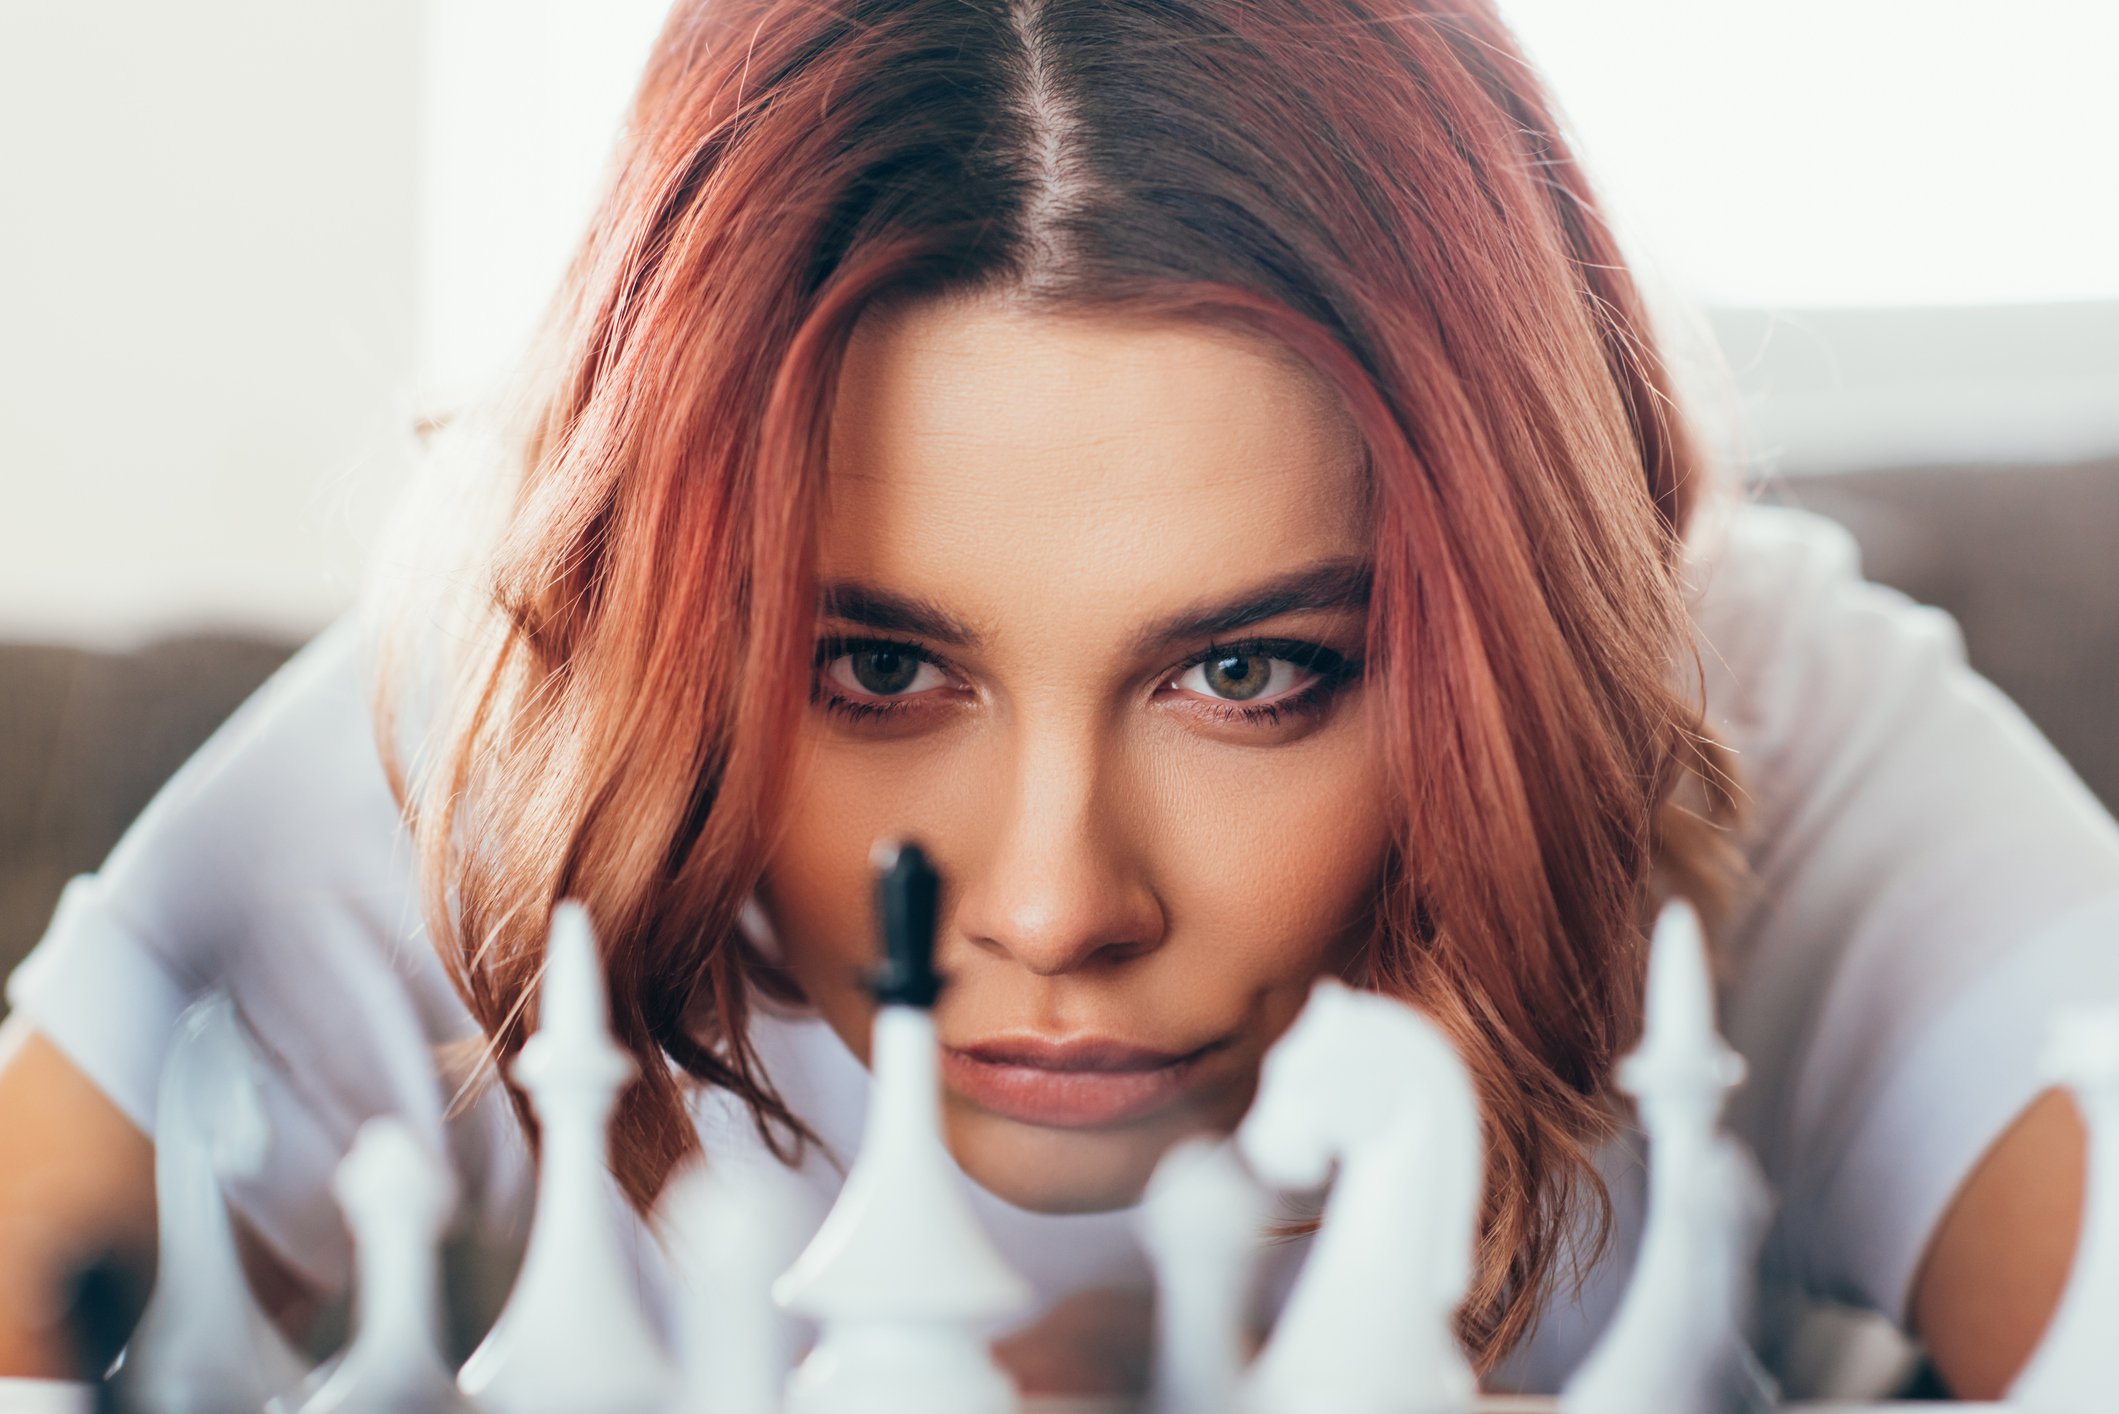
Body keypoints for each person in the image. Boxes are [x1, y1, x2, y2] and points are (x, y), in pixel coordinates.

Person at [2, 0, 2115, 1398]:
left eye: (1249, 669)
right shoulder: (530, 716)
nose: (1046, 902)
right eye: (880, 667)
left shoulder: (1730, 713)